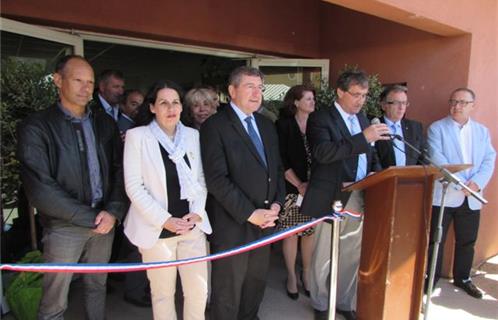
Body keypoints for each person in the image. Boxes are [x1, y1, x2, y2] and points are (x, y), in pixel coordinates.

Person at [17, 55, 128, 320]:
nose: (85, 88)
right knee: (55, 297)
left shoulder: (104, 124)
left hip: (105, 220)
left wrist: (112, 211)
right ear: (58, 80)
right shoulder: (37, 126)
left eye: (90, 82)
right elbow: (39, 187)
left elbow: (119, 170)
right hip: (64, 226)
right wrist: (93, 217)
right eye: (78, 80)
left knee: (96, 286)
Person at [300, 70, 390, 320]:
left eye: (364, 95)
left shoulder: (362, 117)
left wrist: (379, 176)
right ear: (340, 92)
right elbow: (323, 153)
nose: (361, 100)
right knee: (324, 254)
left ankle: (343, 301)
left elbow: (369, 155)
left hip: (361, 194)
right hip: (331, 195)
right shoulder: (320, 118)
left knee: (351, 254)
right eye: (356, 94)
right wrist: (364, 137)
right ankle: (320, 304)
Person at [200, 66, 285, 320]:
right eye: (250, 86)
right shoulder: (215, 126)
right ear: (232, 90)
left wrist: (277, 205)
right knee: (228, 291)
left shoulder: (267, 125)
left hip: (265, 222)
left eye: (260, 88)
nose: (256, 93)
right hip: (232, 224)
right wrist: (250, 213)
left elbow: (278, 169)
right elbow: (217, 180)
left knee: (255, 285)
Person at [123, 80, 212, 320]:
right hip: (157, 230)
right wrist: (165, 220)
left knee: (198, 290)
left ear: (182, 107)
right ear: (152, 107)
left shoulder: (192, 136)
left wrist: (198, 212)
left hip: (191, 227)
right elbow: (133, 186)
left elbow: (201, 178)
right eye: (163, 102)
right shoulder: (137, 136)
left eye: (175, 102)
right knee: (163, 294)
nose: (170, 108)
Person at [426, 88, 496, 299]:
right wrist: (461, 185)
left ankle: (463, 278)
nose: (457, 106)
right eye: (454, 101)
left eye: (463, 103)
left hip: (472, 196)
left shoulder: (481, 131)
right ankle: (431, 279)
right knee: (436, 240)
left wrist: (476, 184)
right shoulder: (437, 128)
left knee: (467, 240)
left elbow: (489, 159)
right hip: (446, 195)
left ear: (472, 105)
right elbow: (438, 160)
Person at [275, 84, 316, 300]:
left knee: (309, 232)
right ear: (296, 102)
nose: (312, 102)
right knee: (291, 233)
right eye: (308, 98)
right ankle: (291, 276)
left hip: (315, 188)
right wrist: (299, 184)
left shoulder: (318, 124)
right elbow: (280, 160)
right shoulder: (283, 125)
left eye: (313, 99)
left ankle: (306, 273)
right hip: (292, 187)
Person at [375, 84, 425, 168]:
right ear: (384, 105)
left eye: (404, 103)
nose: (401, 107)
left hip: (410, 178)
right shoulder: (374, 126)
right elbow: (372, 160)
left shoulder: (415, 127)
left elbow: (423, 158)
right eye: (396, 103)